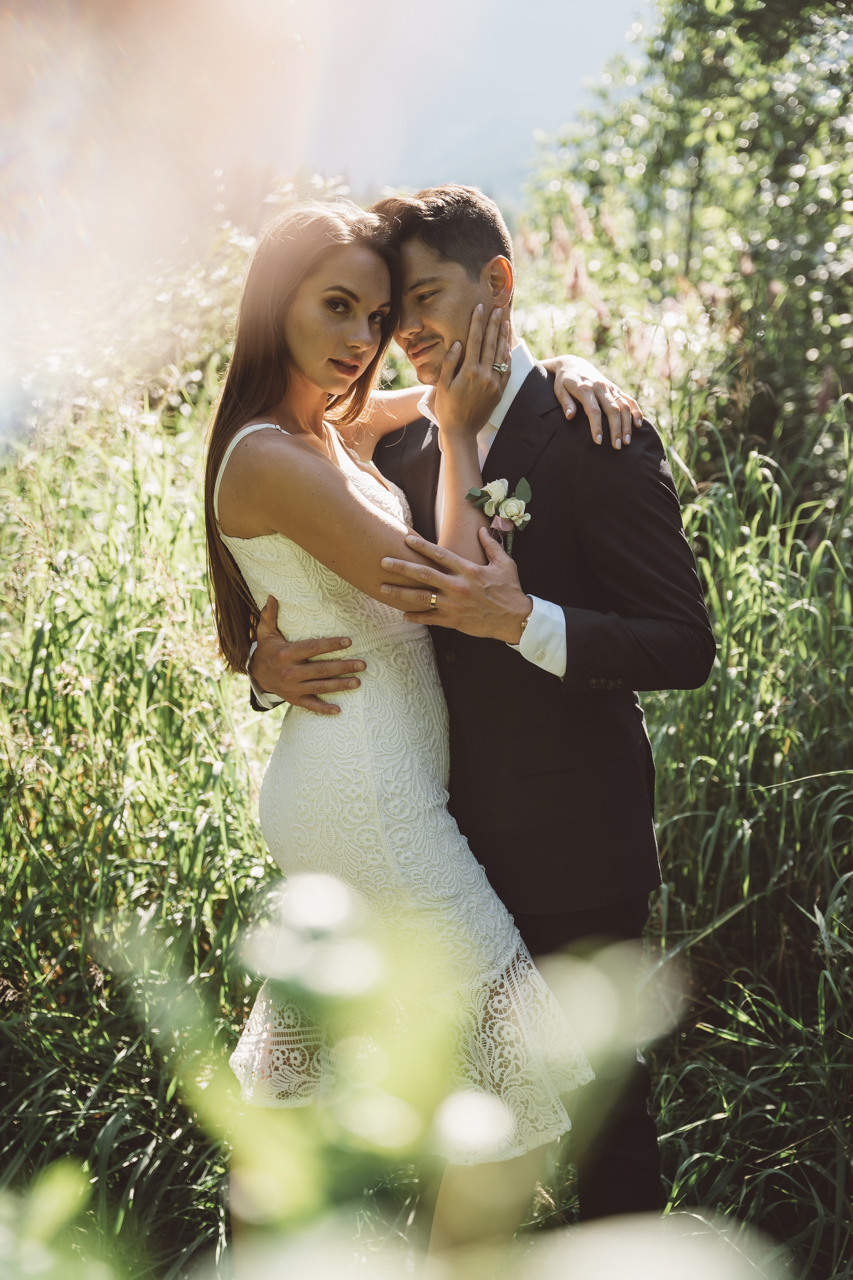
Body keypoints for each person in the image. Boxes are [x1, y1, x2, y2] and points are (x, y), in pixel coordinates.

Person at [250, 185, 716, 1226]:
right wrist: (260, 661)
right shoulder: (398, 447)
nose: (396, 334)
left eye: (417, 300)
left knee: (602, 1129)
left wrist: (525, 620)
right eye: (378, 313)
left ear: (495, 284)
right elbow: (328, 585)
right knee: (453, 1127)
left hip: (569, 848)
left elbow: (684, 644)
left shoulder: (595, 433)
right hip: (433, 840)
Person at [206, 200, 598, 1274]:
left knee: (291, 1093)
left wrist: (570, 370)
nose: (357, 339)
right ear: (271, 300)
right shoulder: (271, 455)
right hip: (367, 796)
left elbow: (447, 380)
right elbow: (444, 588)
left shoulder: (323, 429)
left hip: (352, 791)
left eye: (374, 316)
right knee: (523, 1081)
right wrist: (464, 436)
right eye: (334, 306)